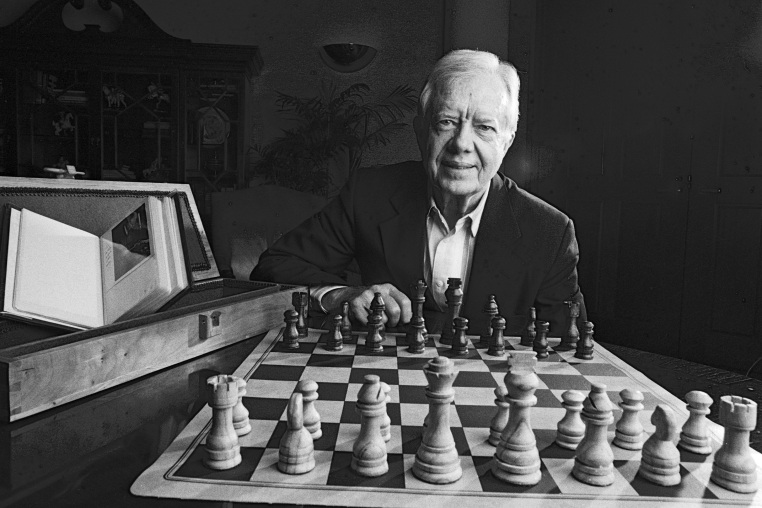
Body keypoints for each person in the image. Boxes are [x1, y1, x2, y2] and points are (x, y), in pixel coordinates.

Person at [252, 49, 585, 335]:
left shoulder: (550, 232)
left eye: (484, 127)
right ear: (420, 130)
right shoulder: (370, 193)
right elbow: (275, 266)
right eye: (446, 122)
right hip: (383, 387)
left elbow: (567, 347)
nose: (461, 145)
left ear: (506, 141)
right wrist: (342, 295)